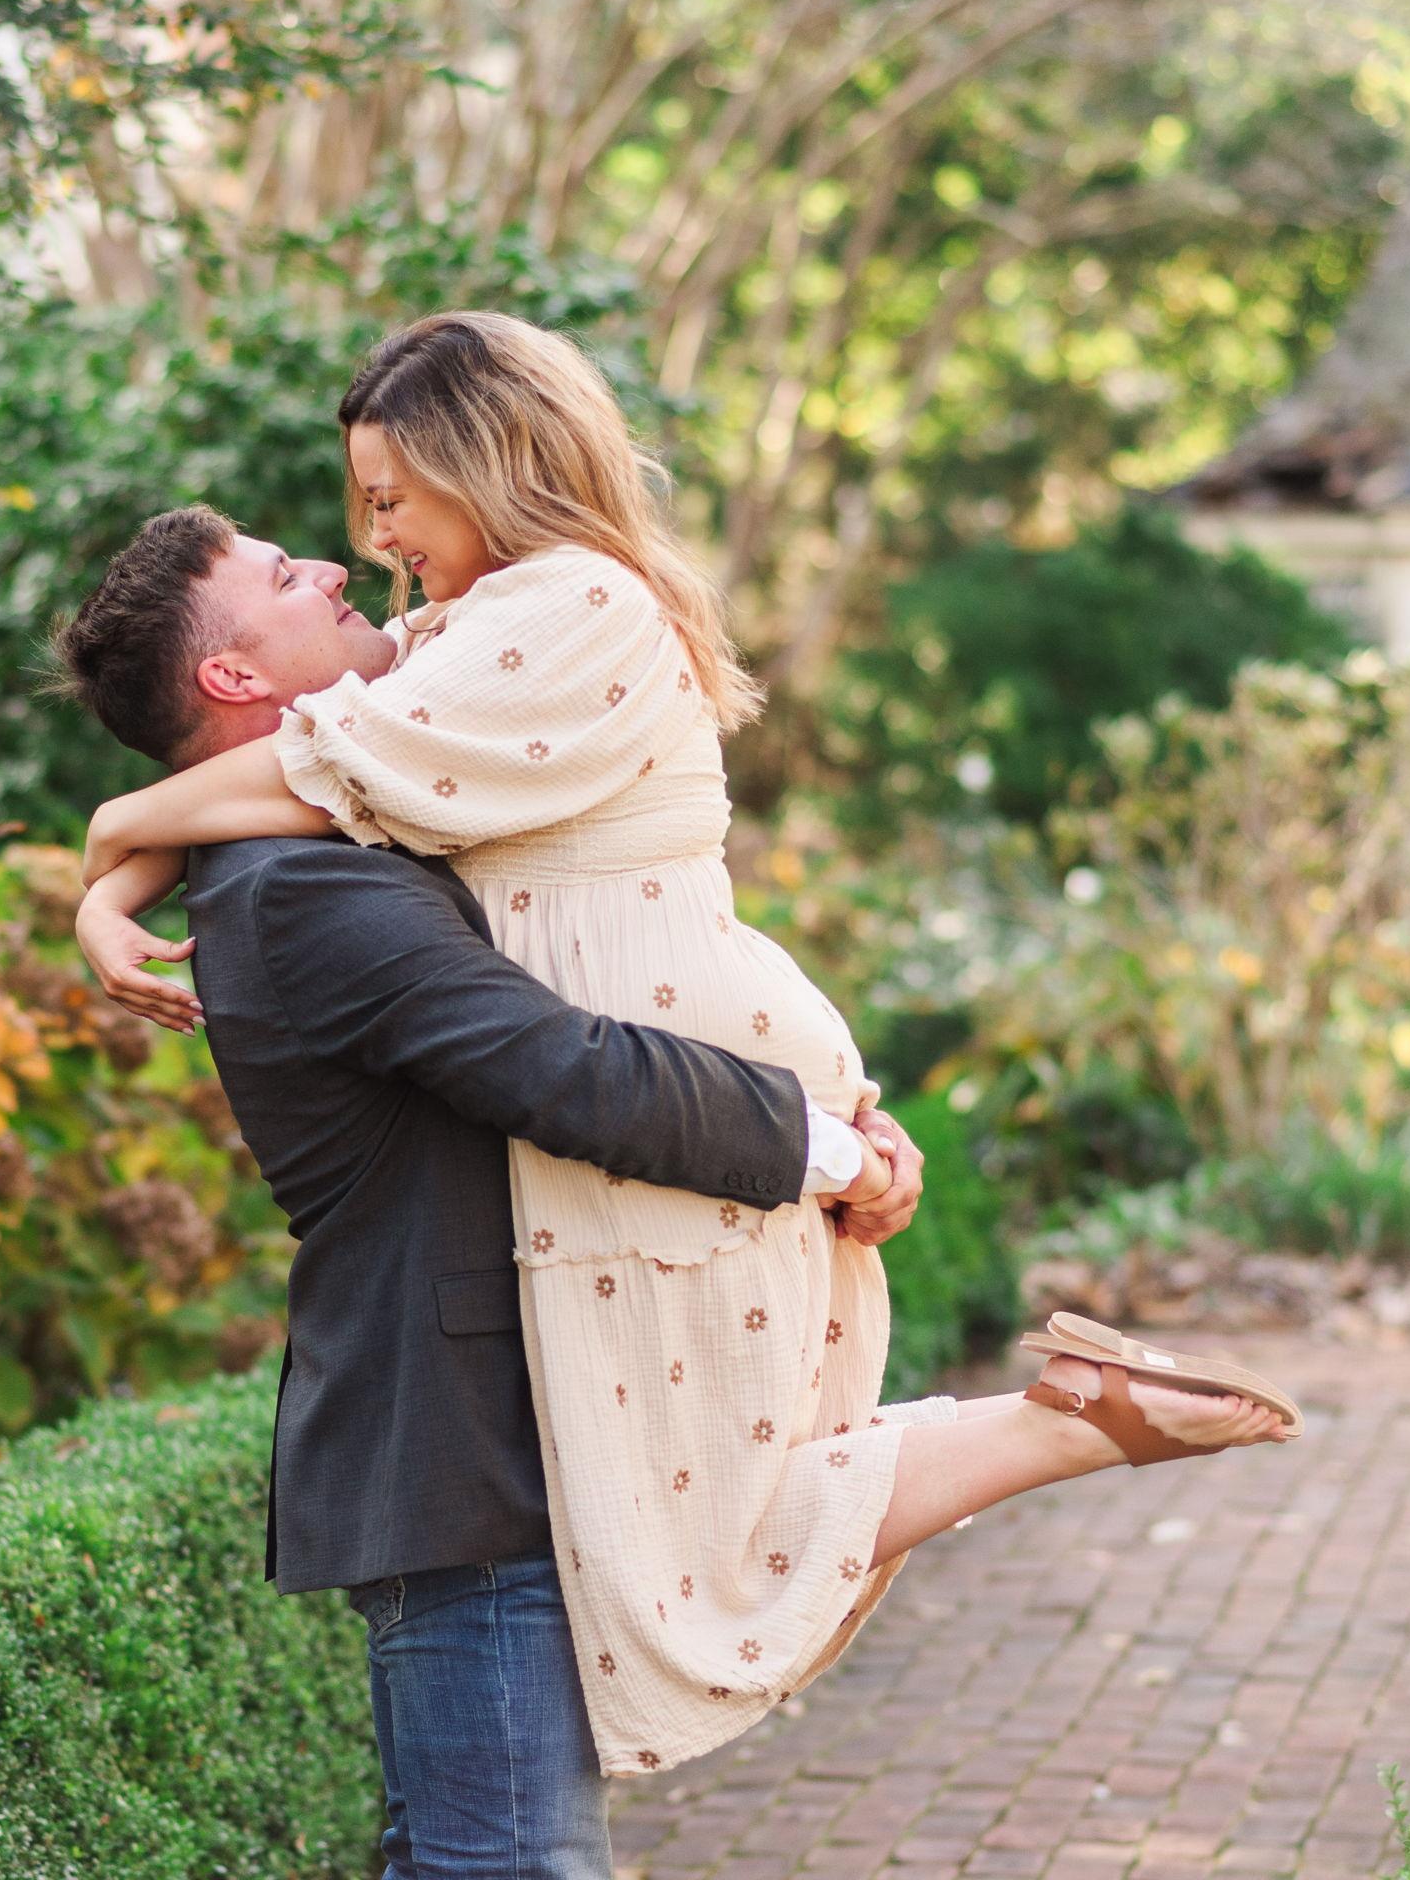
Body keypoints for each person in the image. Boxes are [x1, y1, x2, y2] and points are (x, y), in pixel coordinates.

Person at [78, 313, 1302, 1796]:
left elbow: (332, 771)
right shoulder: (461, 640)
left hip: (670, 1035)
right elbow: (314, 756)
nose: (355, 546)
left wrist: (112, 839)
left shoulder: (561, 607)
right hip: (684, 1035)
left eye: (384, 497)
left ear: (486, 466)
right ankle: (1071, 1422)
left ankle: (1069, 1431)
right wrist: (120, 877)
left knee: (704, 1516)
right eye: (310, 554)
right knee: (714, 1500)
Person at [53, 503, 923, 1880]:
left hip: (492, 1438)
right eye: (287, 577)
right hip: (465, 1454)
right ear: (235, 677)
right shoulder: (301, 889)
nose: (338, 563)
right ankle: (1082, 1425)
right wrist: (828, 1154)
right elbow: (561, 1068)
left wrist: (112, 867)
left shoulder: (337, 822)